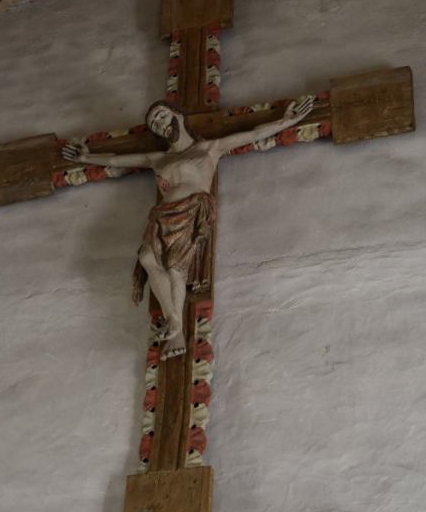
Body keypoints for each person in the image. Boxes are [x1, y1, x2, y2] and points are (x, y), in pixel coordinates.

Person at [63, 96, 315, 359]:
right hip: (162, 214)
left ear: (178, 116)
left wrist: (287, 121)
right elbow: (116, 161)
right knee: (147, 258)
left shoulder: (208, 148)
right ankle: (173, 319)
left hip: (191, 209)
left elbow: (252, 134)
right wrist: (86, 157)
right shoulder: (157, 158)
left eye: (161, 116)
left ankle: (176, 327)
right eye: (154, 124)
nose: (159, 124)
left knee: (175, 267)